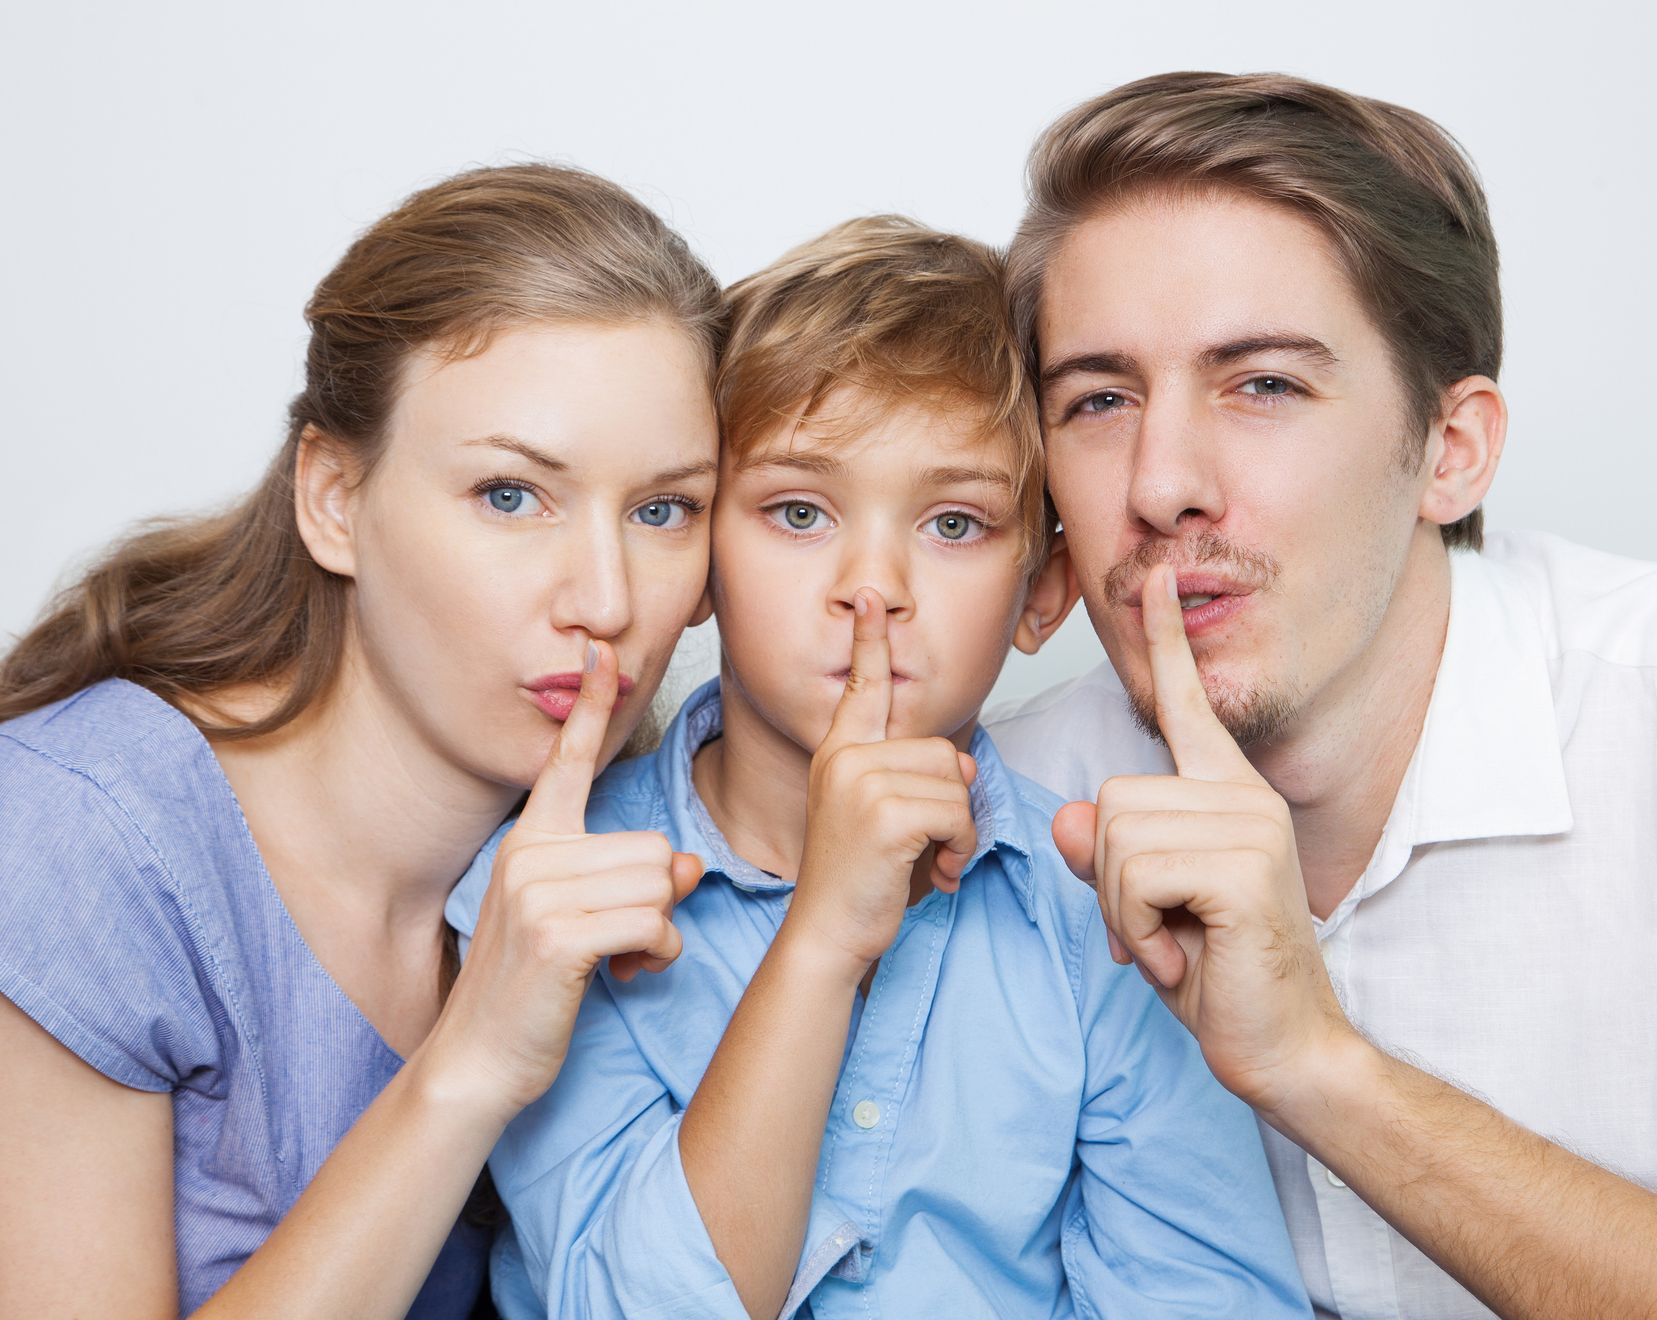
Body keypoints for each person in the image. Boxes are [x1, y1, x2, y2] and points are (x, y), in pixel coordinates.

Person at [987, 71, 1657, 1317]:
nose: (1162, 483)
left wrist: (1316, 1066)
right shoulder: (1005, 812)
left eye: (1264, 384)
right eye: (1099, 400)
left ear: (1451, 453)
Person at [0, 163, 725, 1316]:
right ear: (334, 498)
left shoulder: (614, 872)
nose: (606, 600)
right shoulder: (60, 842)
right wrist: (469, 1065)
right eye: (509, 495)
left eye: (663, 511)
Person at [446, 216, 1312, 1319]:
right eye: (799, 512)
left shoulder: (1104, 911)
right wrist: (823, 941)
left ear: (1043, 594)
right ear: (700, 561)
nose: (873, 586)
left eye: (953, 524)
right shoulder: (548, 892)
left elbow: (1210, 1296)